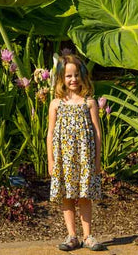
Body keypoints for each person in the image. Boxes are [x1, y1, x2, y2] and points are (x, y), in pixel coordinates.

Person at [47, 54, 105, 251]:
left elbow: (97, 132)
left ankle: (88, 236)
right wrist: (50, 160)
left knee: (84, 196)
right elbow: (50, 133)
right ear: (61, 79)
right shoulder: (56, 104)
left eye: (76, 75)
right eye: (68, 76)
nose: (73, 80)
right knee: (66, 196)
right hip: (64, 160)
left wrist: (97, 160)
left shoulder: (89, 103)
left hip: (84, 159)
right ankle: (72, 236)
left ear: (82, 76)